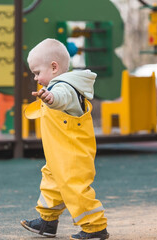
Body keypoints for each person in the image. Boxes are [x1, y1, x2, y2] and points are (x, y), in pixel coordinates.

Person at [20, 38, 109, 240]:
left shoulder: (65, 87)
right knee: (51, 183)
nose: (36, 78)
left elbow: (61, 98)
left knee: (74, 187)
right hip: (58, 154)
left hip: (72, 154)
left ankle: (95, 226)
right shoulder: (58, 86)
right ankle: (47, 222)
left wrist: (51, 99)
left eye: (37, 72)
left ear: (54, 67)